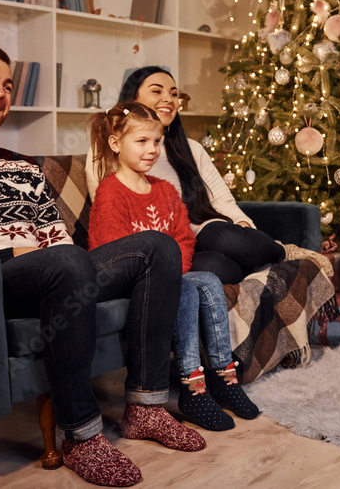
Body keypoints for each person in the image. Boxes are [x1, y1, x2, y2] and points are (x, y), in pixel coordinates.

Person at [0, 46, 206, 488]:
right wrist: (17, 256)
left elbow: (57, 239)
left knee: (158, 246)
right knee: (66, 261)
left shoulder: (23, 169)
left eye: (7, 85)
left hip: (58, 273)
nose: (0, 92)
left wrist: (47, 257)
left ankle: (145, 408)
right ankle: (81, 435)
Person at [87, 102, 261, 431]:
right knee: (184, 287)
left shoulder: (165, 190)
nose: (152, 149)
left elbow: (184, 238)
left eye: (157, 141)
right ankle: (193, 388)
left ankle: (225, 379)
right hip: (128, 282)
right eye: (141, 141)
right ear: (115, 144)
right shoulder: (110, 193)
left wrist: (170, 270)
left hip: (168, 275)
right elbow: (110, 254)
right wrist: (165, 276)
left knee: (207, 279)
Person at [84, 66, 290, 285]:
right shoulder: (105, 153)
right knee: (216, 267)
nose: (169, 99)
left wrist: (243, 225)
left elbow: (221, 199)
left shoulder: (191, 149)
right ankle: (255, 264)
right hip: (166, 246)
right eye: (157, 91)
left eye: (174, 94)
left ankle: (281, 253)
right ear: (132, 99)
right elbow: (107, 214)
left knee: (224, 237)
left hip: (202, 231)